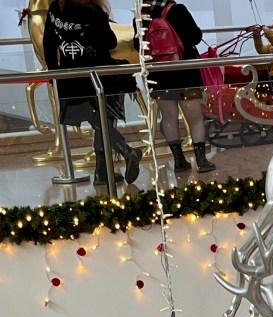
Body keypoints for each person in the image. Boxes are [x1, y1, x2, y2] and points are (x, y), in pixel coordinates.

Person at [42, 0, 142, 186]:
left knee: (97, 123)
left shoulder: (56, 8)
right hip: (98, 76)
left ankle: (101, 173)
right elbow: (110, 42)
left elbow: (48, 42)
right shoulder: (93, 11)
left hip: (69, 77)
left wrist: (53, 72)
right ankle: (127, 151)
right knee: (102, 121)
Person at [137, 1, 216, 173]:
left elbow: (139, 46)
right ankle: (201, 161)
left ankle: (179, 161)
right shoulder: (178, 10)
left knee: (169, 118)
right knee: (195, 119)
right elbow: (195, 36)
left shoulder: (142, 14)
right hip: (186, 73)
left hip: (159, 75)